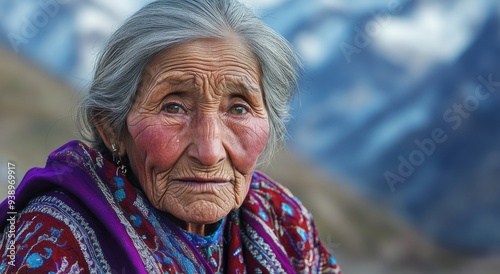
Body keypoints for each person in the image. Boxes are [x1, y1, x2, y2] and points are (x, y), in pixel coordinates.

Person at [0, 0, 341, 273]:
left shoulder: (283, 220)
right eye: (173, 107)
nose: (209, 152)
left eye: (238, 109)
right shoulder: (52, 240)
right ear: (111, 127)